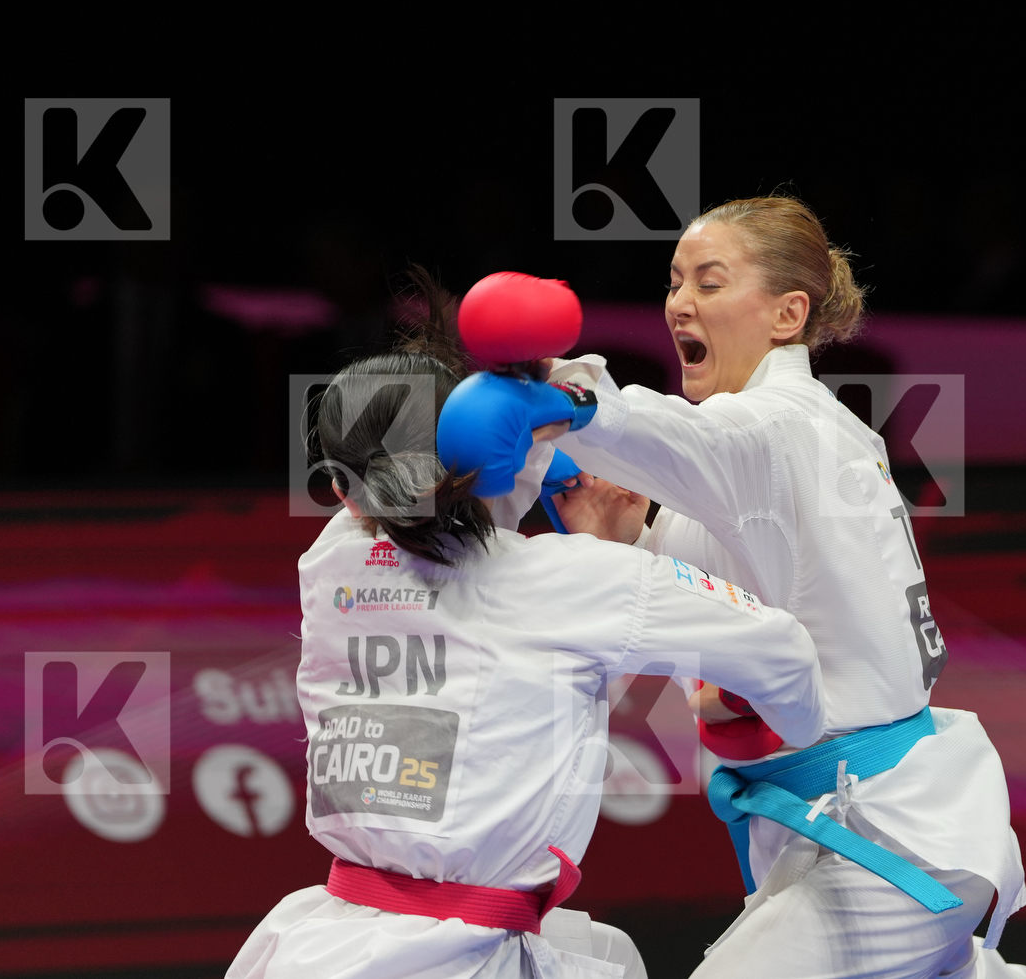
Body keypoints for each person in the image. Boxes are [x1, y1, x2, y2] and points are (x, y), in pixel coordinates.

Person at [455, 198, 1026, 979]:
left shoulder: (776, 428)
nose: (679, 303)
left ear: (786, 313)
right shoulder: (798, 438)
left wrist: (559, 397)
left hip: (883, 845)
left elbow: (661, 434)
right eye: (673, 283)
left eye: (708, 281)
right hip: (880, 826)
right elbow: (730, 601)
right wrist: (630, 535)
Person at [225, 273, 826, 979]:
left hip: (321, 942)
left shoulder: (331, 561)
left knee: (608, 956)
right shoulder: (569, 581)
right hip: (459, 960)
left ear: (335, 489)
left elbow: (443, 543)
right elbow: (784, 653)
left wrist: (537, 465)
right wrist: (789, 727)